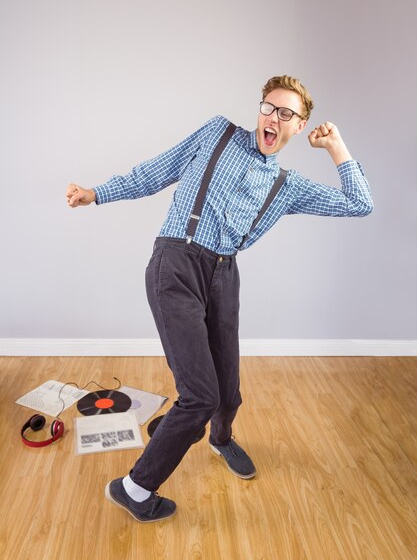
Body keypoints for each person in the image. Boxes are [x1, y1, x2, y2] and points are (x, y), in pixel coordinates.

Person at [66, 75, 373, 523]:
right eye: (269, 107)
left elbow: (358, 203)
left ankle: (220, 438)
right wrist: (97, 194)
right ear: (260, 109)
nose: (273, 118)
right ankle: (134, 488)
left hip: (224, 275)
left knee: (228, 391)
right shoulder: (217, 133)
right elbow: (155, 171)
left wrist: (337, 147)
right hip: (176, 264)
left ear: (300, 125)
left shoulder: (288, 185)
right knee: (200, 396)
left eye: (286, 114)